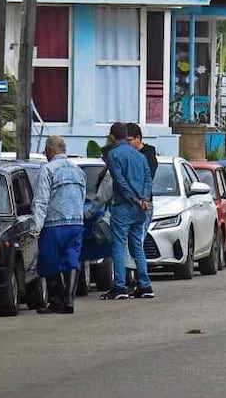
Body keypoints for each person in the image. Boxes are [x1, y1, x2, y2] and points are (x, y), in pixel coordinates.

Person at [31, 135, 87, 315]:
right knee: (72, 259)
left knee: (50, 261)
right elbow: (82, 196)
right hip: (76, 223)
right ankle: (69, 300)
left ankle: (56, 301)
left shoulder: (47, 170)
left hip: (54, 224)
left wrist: (36, 227)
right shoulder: (78, 170)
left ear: (49, 151)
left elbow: (41, 201)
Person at [100, 122, 154, 300]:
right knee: (137, 245)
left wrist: (134, 199)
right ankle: (145, 284)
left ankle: (119, 285)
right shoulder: (139, 156)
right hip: (141, 208)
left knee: (119, 245)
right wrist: (144, 199)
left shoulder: (114, 154)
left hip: (124, 205)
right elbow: (148, 178)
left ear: (113, 137)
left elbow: (119, 181)